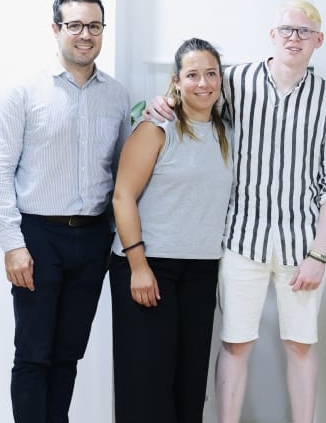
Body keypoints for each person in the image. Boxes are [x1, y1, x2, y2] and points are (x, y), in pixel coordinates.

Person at [145, 2, 326, 422]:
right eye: (287, 30)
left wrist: (319, 253)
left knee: (300, 344)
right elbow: (193, 104)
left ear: (318, 40)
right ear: (273, 35)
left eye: (304, 32)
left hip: (302, 242)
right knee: (236, 343)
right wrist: (160, 102)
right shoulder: (236, 81)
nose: (294, 38)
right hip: (241, 237)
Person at [0, 0, 130, 421]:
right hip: (37, 238)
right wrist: (12, 244)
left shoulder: (117, 96)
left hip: (93, 238)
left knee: (67, 354)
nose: (86, 34)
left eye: (95, 26)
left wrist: (113, 236)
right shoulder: (23, 92)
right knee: (33, 353)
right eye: (76, 25)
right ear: (56, 29)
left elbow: (122, 171)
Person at [109, 38, 232, 423]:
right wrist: (138, 266)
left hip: (201, 269)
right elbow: (122, 196)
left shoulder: (228, 132)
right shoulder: (156, 126)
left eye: (211, 74)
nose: (203, 83)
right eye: (192, 75)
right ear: (176, 81)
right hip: (149, 264)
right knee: (146, 384)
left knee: (189, 384)